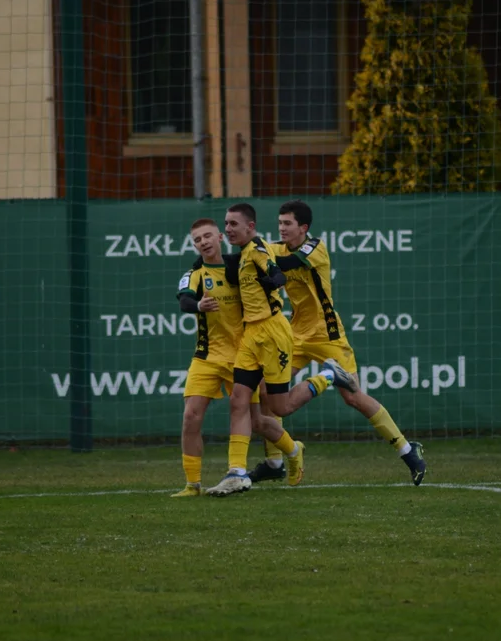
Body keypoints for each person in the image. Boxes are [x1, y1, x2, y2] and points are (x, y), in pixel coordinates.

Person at [250, 199, 428, 486]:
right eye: (280, 223)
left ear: (303, 228)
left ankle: (409, 452)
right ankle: (275, 463)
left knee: (354, 397)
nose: (281, 228)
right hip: (295, 334)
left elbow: (284, 264)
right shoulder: (275, 247)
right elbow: (261, 260)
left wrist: (259, 254)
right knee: (264, 390)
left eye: (287, 224)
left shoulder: (314, 248)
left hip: (327, 332)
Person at [204, 203, 358, 498]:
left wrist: (273, 278)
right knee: (239, 400)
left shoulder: (260, 249)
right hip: (251, 334)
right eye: (225, 224)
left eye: (233, 224)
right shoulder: (243, 254)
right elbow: (228, 268)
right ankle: (236, 473)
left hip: (274, 332)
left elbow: (277, 274)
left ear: (250, 227)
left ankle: (327, 377)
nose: (228, 229)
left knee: (280, 408)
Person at [172, 218, 307, 497]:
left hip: (243, 355)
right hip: (206, 357)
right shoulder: (195, 273)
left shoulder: (240, 265)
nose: (204, 242)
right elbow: (184, 299)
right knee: (190, 417)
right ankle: (192, 485)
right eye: (197, 240)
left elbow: (269, 262)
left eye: (208, 236)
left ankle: (291, 452)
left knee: (258, 421)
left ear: (219, 237)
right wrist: (198, 305)